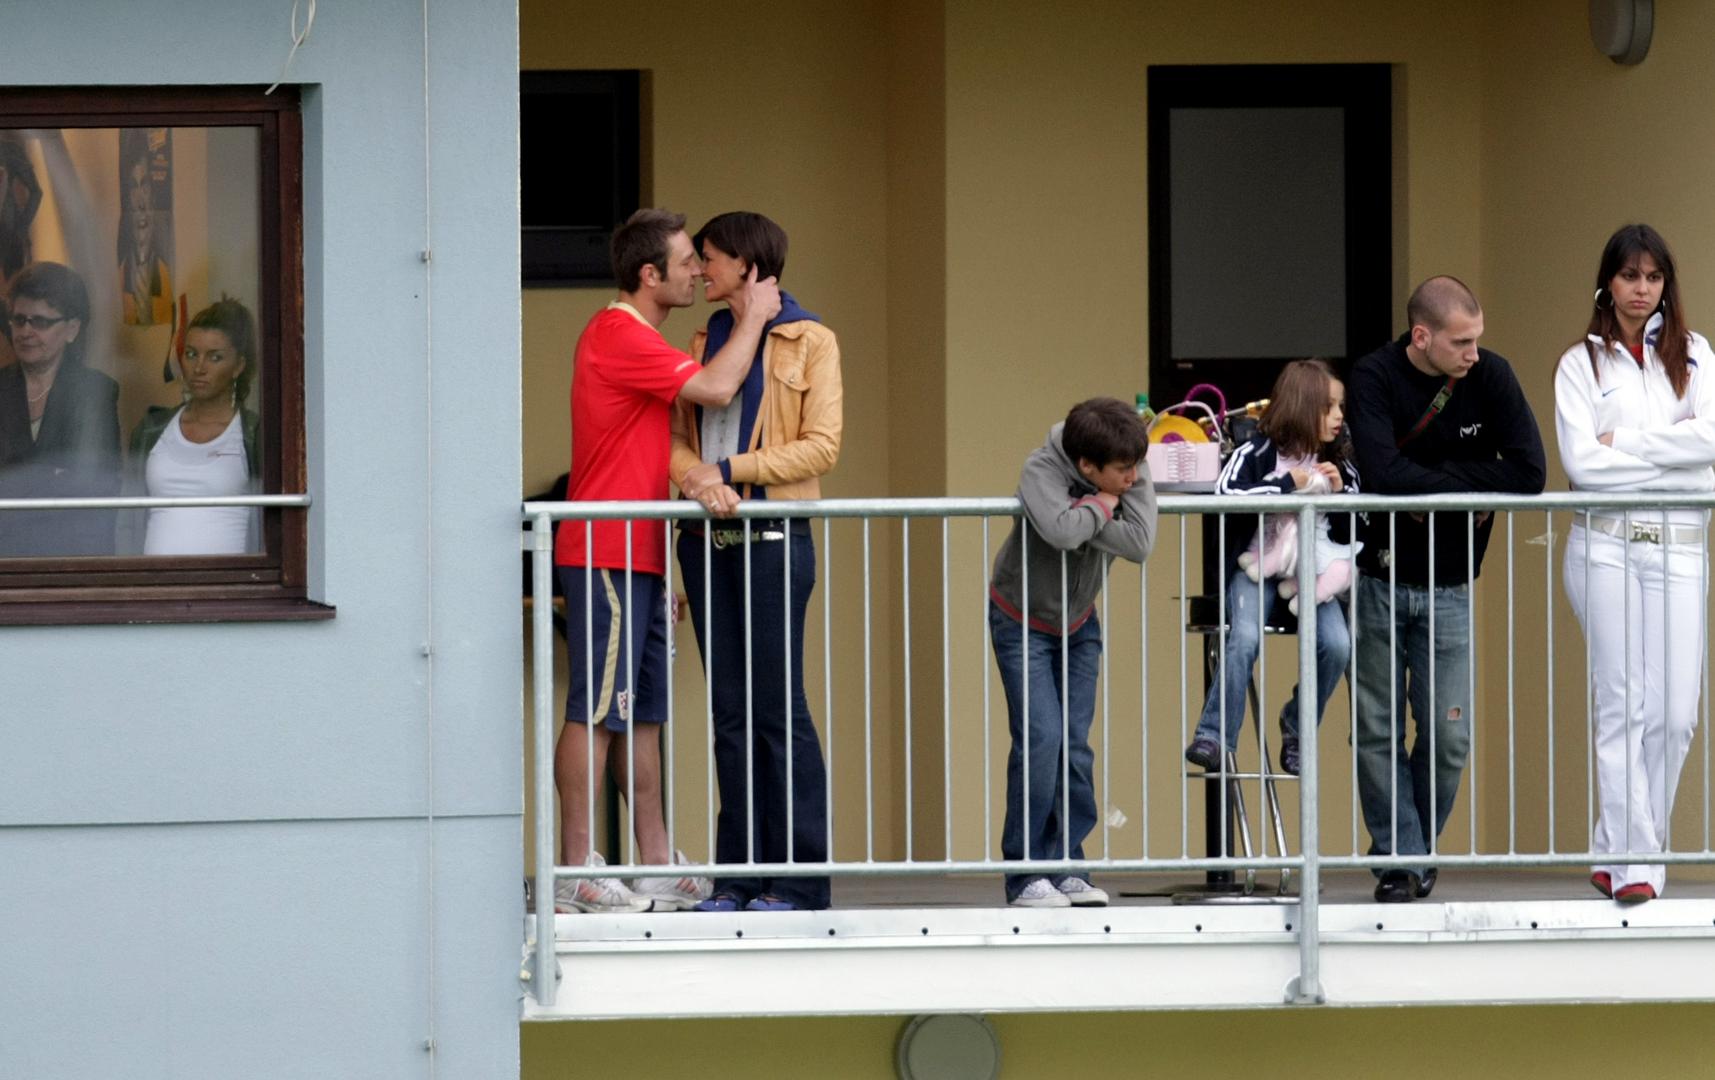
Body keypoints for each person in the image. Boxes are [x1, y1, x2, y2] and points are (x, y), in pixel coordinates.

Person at [553, 207, 780, 913]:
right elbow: (715, 389)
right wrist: (754, 317)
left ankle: (653, 862)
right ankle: (576, 869)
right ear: (648, 275)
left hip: (638, 552)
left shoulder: (639, 338)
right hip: (604, 548)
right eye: (685, 261)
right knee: (596, 709)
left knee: (640, 714)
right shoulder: (617, 331)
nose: (694, 270)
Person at [1348, 276, 1546, 903]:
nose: (1473, 353)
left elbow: (1530, 471)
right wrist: (1469, 493)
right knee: (1377, 729)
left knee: (1449, 734)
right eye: (1461, 342)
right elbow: (1380, 472)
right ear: (1422, 335)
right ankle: (1401, 865)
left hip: (1452, 583)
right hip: (1376, 577)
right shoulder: (1374, 377)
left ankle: (1409, 850)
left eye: (1477, 339)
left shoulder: (1492, 377)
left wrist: (1435, 486)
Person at [669, 211, 842, 913]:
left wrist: (727, 468)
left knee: (776, 711)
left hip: (772, 538)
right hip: (706, 539)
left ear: (744, 262)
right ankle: (738, 877)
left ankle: (798, 883)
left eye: (707, 257)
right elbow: (672, 438)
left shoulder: (812, 339)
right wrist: (695, 479)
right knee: (729, 714)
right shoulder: (702, 339)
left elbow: (822, 445)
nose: (700, 269)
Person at [1556, 224, 1715, 904]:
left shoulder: (1697, 355)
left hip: (1679, 549)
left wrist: (1627, 443)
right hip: (1604, 547)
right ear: (1608, 282)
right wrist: (1672, 455)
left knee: (1674, 713)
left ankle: (1615, 845)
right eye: (1629, 276)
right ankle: (1636, 866)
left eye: (1651, 277)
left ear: (1664, 285)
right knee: (1621, 704)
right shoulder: (1579, 365)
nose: (1640, 289)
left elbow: (1710, 457)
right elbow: (1581, 466)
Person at [989, 397, 1157, 907]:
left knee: (1074, 746)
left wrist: (1089, 508)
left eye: (1135, 469)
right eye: (1122, 473)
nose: (1134, 479)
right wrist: (1100, 509)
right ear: (1086, 466)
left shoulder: (1131, 460)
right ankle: (1026, 876)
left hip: (1080, 623)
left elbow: (1141, 541)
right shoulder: (1041, 467)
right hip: (1022, 620)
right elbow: (1059, 534)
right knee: (1041, 740)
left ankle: (1068, 867)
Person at [1184, 359, 1360, 779]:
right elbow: (1226, 491)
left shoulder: (1339, 456)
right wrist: (1288, 484)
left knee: (1337, 645)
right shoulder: (1257, 448)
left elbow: (1360, 505)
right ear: (1302, 407)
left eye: (1341, 407)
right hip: (1256, 564)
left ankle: (1296, 726)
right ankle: (1214, 733)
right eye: (1328, 407)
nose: (1338, 417)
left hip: (1311, 573)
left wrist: (1340, 490)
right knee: (1243, 637)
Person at [120, 297, 262, 555]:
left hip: (233, 589)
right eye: (191, 354)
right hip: (155, 586)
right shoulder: (151, 430)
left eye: (215, 357)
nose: (199, 368)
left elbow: (273, 525)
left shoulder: (253, 434)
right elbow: (126, 520)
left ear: (238, 366)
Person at [0, 261, 120, 556]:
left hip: (71, 558)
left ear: (72, 329)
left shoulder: (94, 392)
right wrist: (50, 477)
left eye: (40, 321)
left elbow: (94, 488)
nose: (25, 331)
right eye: (18, 320)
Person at [120, 151, 171, 327]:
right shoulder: (122, 273)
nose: (140, 200)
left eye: (145, 185)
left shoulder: (165, 271)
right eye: (134, 186)